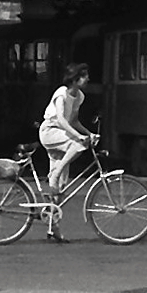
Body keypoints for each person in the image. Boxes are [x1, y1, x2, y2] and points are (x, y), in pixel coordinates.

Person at [38, 63, 97, 243]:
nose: (87, 79)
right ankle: (54, 174)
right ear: (74, 79)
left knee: (60, 189)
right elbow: (62, 120)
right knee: (77, 146)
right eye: (84, 76)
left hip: (62, 134)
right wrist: (78, 137)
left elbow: (74, 120)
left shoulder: (79, 96)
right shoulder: (61, 93)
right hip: (50, 132)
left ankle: (53, 227)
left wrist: (89, 133)